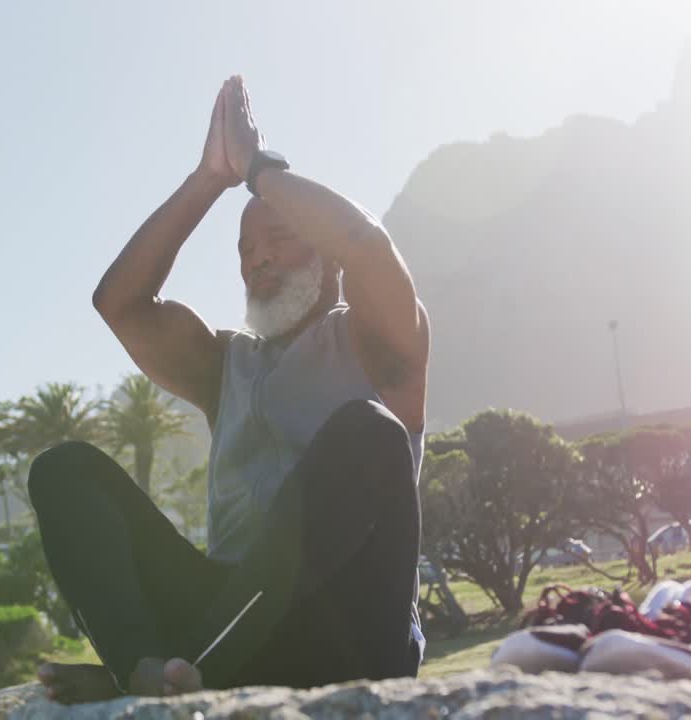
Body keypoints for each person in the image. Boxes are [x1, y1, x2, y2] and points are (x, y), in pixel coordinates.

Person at [27, 75, 431, 703]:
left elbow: (368, 246)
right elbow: (121, 304)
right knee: (63, 469)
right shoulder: (223, 364)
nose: (257, 260)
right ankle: (144, 670)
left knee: (369, 432)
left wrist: (258, 170)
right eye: (245, 248)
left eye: (279, 239)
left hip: (351, 634)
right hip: (229, 624)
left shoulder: (377, 340)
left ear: (327, 256)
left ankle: (192, 670)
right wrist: (207, 180)